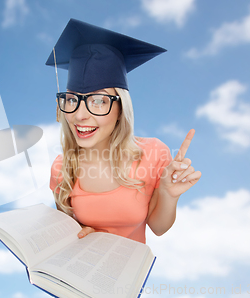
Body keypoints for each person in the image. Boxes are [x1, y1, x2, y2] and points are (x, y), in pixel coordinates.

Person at [46, 19, 201, 244]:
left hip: (130, 275)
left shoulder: (153, 153)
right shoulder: (61, 168)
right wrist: (79, 233)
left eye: (98, 101)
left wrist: (168, 193)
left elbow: (158, 228)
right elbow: (68, 232)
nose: (80, 115)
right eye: (71, 100)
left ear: (120, 109)